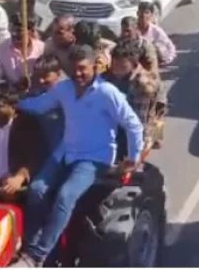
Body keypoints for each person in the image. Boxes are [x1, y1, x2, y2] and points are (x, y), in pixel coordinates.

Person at [12, 45, 144, 267]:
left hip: (94, 159)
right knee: (36, 190)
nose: (78, 74)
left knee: (65, 195)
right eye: (74, 69)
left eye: (83, 68)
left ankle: (38, 255)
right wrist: (15, 102)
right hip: (66, 151)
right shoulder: (64, 89)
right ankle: (31, 246)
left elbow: (133, 125)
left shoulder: (107, 93)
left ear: (95, 66)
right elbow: (40, 105)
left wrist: (133, 157)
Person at [0, 13, 46, 87]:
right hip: (12, 94)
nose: (14, 34)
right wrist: (15, 86)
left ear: (31, 31)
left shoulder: (42, 48)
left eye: (19, 31)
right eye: (12, 29)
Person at [135, 2, 177, 66]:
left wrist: (167, 59)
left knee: (157, 46)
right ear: (137, 13)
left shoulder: (156, 31)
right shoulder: (132, 29)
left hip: (151, 62)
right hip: (135, 61)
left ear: (151, 15)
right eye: (141, 12)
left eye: (146, 12)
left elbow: (170, 47)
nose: (143, 15)